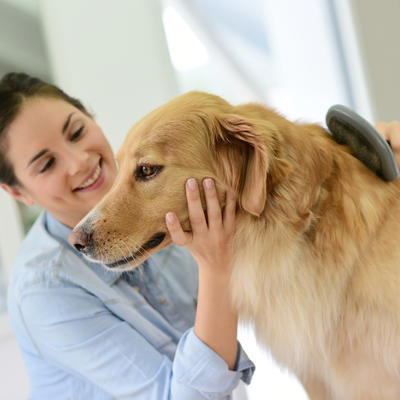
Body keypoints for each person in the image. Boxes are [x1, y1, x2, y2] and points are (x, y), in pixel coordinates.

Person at [1, 72, 254, 400]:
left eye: (77, 132)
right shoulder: (43, 291)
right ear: (18, 193)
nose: (79, 162)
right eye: (47, 164)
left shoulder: (163, 196)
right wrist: (216, 269)